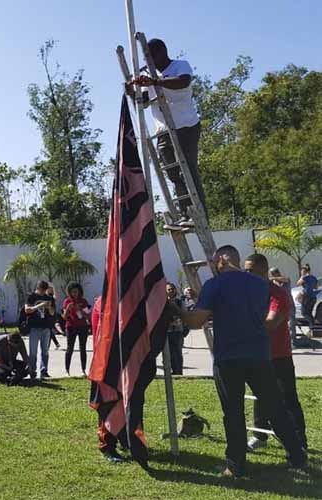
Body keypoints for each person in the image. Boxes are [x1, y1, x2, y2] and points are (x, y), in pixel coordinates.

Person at [174, 246, 307, 477]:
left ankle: (235, 466)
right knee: (275, 408)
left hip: (229, 358)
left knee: (233, 413)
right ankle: (297, 457)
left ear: (221, 260)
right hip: (259, 356)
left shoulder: (214, 285)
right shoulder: (259, 285)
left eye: (215, 261)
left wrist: (173, 310)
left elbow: (196, 321)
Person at [128, 38, 203, 226]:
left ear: (161, 52)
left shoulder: (179, 66)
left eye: (150, 57)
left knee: (188, 170)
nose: (147, 62)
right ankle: (185, 213)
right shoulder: (150, 74)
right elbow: (143, 102)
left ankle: (199, 214)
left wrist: (154, 81)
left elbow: (183, 82)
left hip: (185, 126)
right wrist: (131, 90)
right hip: (163, 130)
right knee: (173, 173)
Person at [245, 254, 307, 453]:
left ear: (263, 271)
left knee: (288, 398)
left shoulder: (277, 294)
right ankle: (260, 435)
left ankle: (299, 443)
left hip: (278, 355)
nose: (246, 275)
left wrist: (240, 326)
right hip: (256, 355)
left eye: (250, 271)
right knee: (260, 396)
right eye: (244, 270)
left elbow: (271, 324)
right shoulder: (248, 293)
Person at [24, 281, 56, 379]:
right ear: (37, 288)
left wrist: (49, 306)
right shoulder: (31, 297)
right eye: (41, 290)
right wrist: (39, 306)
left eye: (44, 290)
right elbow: (27, 310)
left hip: (45, 328)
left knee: (45, 351)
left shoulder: (49, 298)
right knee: (33, 352)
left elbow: (52, 313)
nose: (42, 292)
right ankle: (32, 371)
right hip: (34, 328)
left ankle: (44, 371)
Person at [62, 283, 91, 377]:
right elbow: (64, 317)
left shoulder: (83, 301)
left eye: (76, 291)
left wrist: (81, 309)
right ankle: (67, 371)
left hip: (83, 327)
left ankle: (83, 370)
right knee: (70, 348)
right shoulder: (67, 301)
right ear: (69, 292)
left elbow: (88, 315)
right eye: (73, 292)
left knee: (83, 348)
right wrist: (67, 309)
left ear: (79, 291)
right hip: (71, 327)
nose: (75, 293)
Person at [164, 283, 185, 375]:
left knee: (178, 352)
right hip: (166, 332)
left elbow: (184, 314)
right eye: (169, 289)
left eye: (172, 289)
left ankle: (178, 371)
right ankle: (171, 370)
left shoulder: (179, 302)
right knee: (168, 353)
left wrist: (179, 322)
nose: (171, 291)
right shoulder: (162, 303)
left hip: (177, 331)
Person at [269, 268, 297, 338]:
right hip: (279, 306)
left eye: (272, 274)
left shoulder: (285, 279)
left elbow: (284, 279)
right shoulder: (274, 282)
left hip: (289, 304)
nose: (272, 276)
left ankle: (292, 339)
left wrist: (272, 278)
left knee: (291, 322)